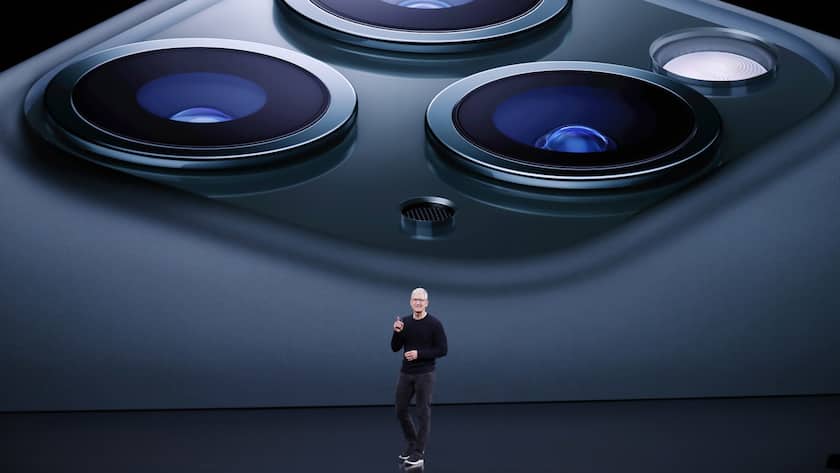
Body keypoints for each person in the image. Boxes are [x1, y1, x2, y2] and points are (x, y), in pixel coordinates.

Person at [391, 287, 448, 468]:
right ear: (410, 301)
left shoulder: (435, 324)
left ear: (427, 303)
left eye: (421, 300)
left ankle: (419, 452)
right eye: (415, 299)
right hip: (406, 373)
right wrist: (397, 332)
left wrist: (419, 354)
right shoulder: (405, 322)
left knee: (423, 412)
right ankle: (412, 443)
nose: (418, 303)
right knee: (400, 410)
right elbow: (394, 347)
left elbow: (442, 350)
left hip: (425, 373)